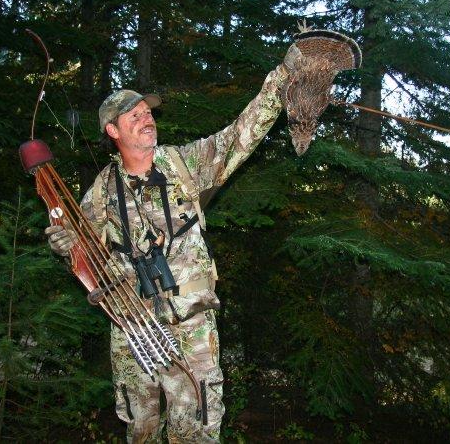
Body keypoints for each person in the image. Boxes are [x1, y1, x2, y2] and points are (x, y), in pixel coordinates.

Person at [45, 48, 302, 443]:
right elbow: (85, 257)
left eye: (148, 113)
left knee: (196, 427)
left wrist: (282, 78)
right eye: (135, 116)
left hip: (192, 322)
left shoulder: (184, 165)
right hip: (132, 325)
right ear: (113, 131)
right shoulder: (99, 193)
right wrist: (65, 245)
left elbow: (240, 135)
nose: (147, 118)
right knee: (141, 427)